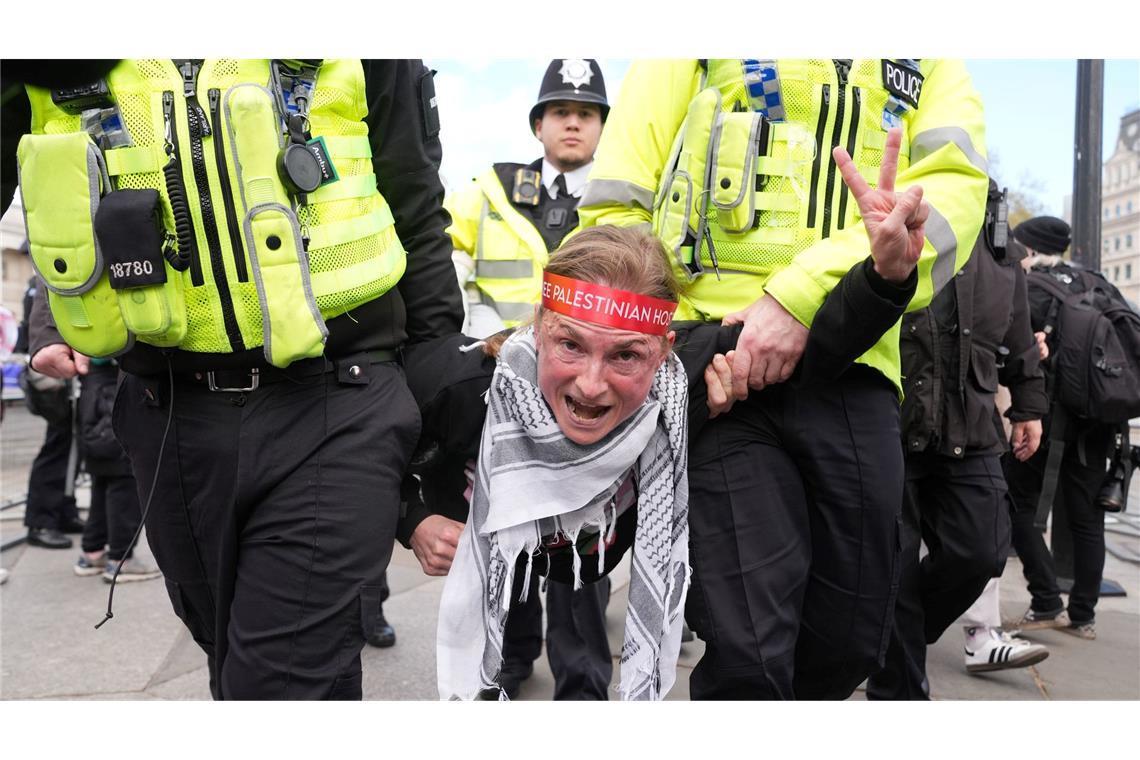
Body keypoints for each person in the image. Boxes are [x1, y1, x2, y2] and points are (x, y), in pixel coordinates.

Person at [19, 59, 462, 699]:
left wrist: (443, 422)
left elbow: (416, 211)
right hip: (166, 408)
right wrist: (49, 316)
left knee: (275, 679)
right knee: (232, 656)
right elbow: (47, 193)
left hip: (339, 394)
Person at [578, 58, 989, 699]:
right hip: (719, 373)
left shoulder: (927, 50)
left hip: (858, 362)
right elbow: (616, 208)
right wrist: (640, 354)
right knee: (748, 656)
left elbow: (953, 191)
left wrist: (800, 298)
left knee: (854, 640)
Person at [431, 58, 613, 700]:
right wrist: (481, 348)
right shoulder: (488, 190)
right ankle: (507, 655)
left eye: (586, 113)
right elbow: (442, 268)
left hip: (587, 396)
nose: (573, 123)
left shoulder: (621, 197)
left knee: (583, 530)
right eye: (561, 112)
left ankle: (584, 678)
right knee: (501, 523)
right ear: (538, 125)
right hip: (497, 388)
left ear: (601, 127)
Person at [866, 181, 1050, 700]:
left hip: (969, 418)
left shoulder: (998, 237)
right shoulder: (897, 199)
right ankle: (898, 690)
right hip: (893, 414)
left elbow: (1018, 332)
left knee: (983, 549)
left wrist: (1030, 407)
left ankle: (885, 634)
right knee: (894, 564)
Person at [1004, 216, 1116, 641]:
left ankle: (1047, 600)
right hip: (1098, 422)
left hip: (1045, 418)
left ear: (1030, 250)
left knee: (1019, 505)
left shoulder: (1031, 288)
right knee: (1088, 519)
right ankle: (1083, 615)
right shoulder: (1097, 285)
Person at [72, 356, 161, 583]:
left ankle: (92, 552)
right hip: (111, 395)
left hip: (93, 395)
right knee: (125, 487)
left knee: (101, 486)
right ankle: (121, 560)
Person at [18, 275, 83, 550]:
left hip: (61, 378)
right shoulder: (43, 281)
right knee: (58, 446)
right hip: (56, 379)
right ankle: (41, 520)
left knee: (71, 447)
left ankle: (63, 510)